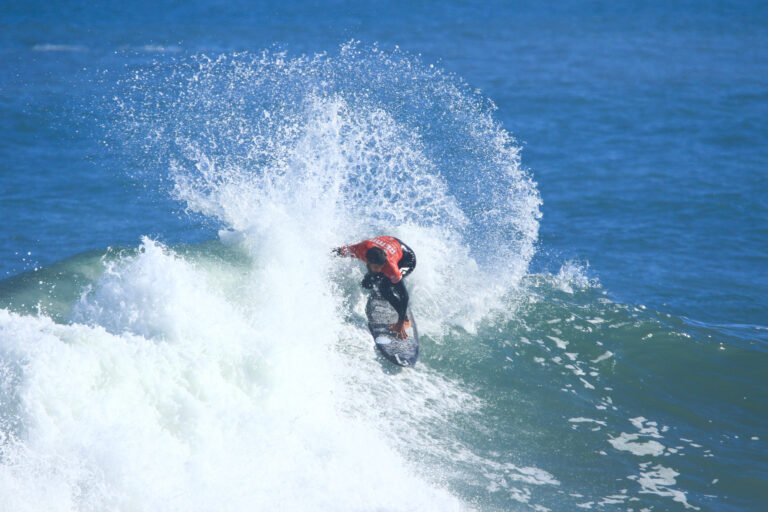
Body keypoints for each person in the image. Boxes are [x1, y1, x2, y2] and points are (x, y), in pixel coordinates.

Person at [333, 236, 417, 339]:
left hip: (406, 259)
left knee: (385, 287)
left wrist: (399, 323)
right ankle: (385, 288)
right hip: (389, 245)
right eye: (377, 267)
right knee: (367, 283)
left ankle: (405, 319)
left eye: (381, 267)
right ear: (368, 262)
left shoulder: (390, 267)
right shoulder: (360, 249)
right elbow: (339, 251)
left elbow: (404, 295)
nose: (380, 269)